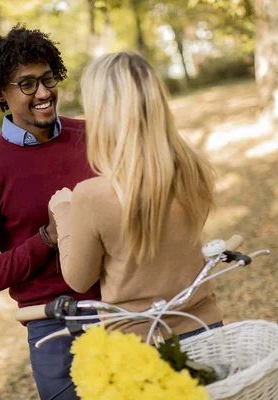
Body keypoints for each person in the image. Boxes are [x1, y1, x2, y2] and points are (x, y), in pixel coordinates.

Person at [0, 24, 100, 400]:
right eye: (26, 84)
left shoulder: (94, 137)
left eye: (47, 78)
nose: (43, 93)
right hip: (53, 328)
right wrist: (49, 238)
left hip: (124, 305)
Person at [49, 51, 223, 342]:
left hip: (141, 348)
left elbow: (79, 280)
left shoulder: (91, 196)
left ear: (103, 114)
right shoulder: (196, 168)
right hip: (206, 329)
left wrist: (64, 212)